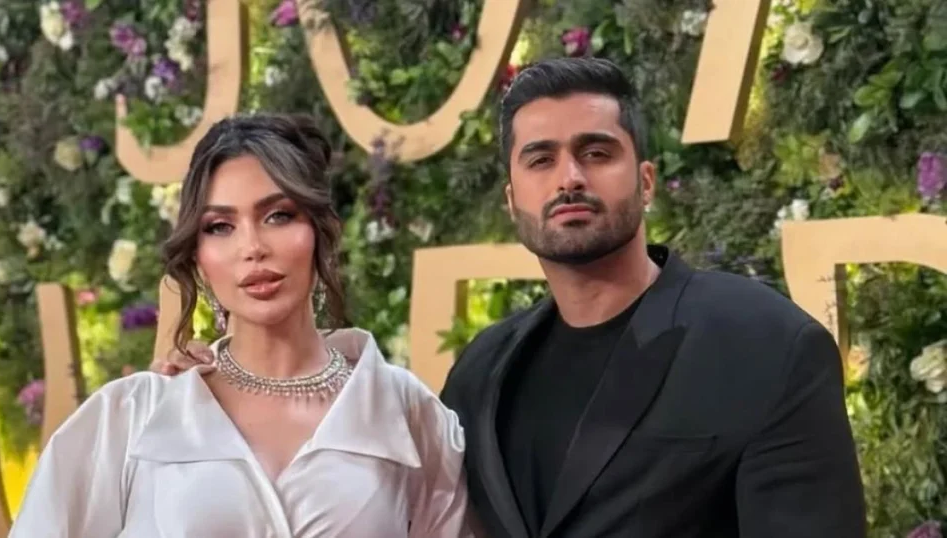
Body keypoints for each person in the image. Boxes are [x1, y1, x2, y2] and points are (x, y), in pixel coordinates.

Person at [155, 57, 867, 537]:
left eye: (596, 152)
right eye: (540, 159)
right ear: (512, 198)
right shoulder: (481, 373)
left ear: (646, 181)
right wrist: (218, 391)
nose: (569, 178)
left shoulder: (764, 345)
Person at [9, 114, 476, 537]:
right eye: (220, 226)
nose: (252, 247)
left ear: (321, 231)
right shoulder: (132, 416)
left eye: (278, 216)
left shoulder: (407, 413)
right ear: (198, 255)